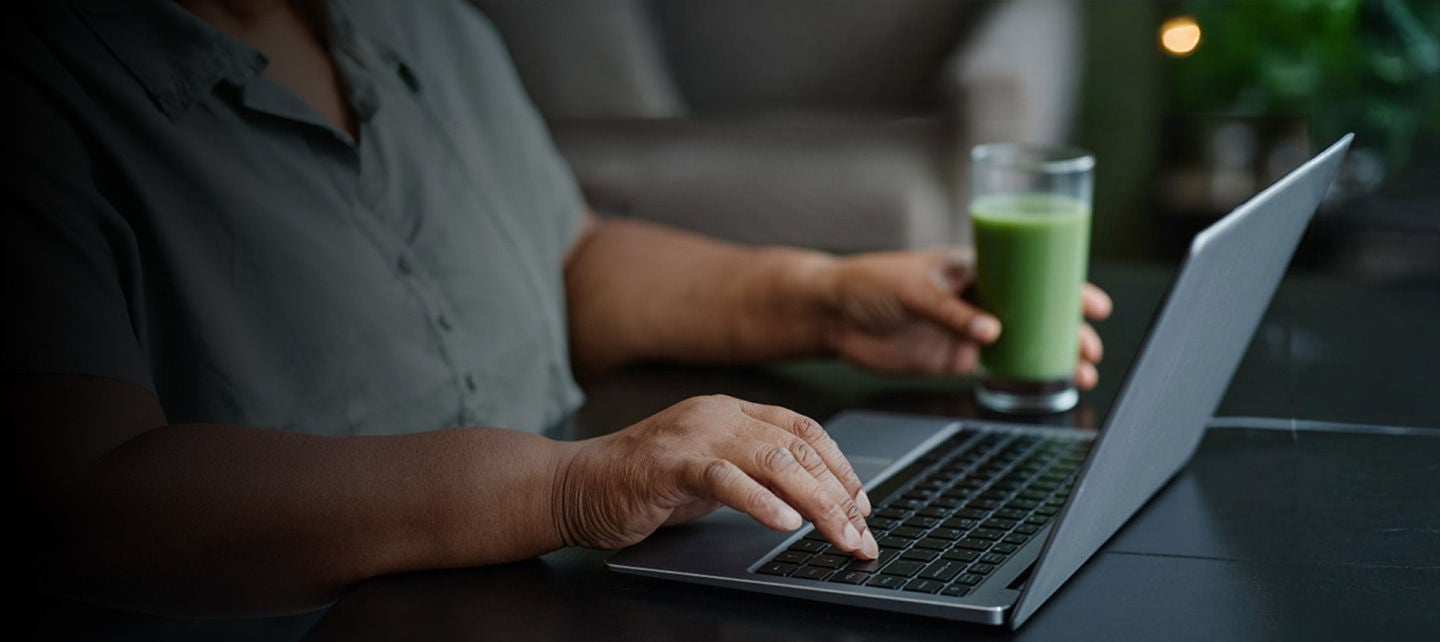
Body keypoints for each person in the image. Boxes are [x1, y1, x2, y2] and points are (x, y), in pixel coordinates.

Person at [2, 0, 1111, 617]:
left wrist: (821, 301)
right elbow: (94, 505)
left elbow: (565, 259)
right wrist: (577, 483)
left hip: (572, 593)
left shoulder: (420, 20)